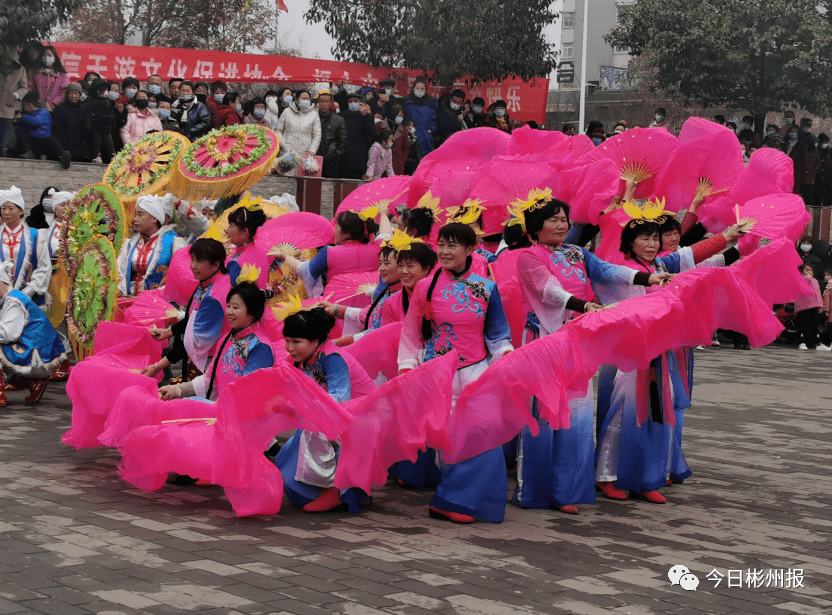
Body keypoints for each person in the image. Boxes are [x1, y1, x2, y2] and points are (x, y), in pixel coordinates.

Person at [510, 192, 668, 515]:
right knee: (543, 416)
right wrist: (583, 306)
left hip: (577, 340)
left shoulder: (577, 253)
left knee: (578, 416)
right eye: (553, 219)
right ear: (535, 226)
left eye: (563, 219)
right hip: (543, 342)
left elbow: (609, 272)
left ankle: (567, 489)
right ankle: (537, 489)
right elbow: (548, 290)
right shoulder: (529, 256)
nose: (561, 224)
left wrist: (648, 276)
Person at [594, 204, 745, 504]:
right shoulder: (626, 272)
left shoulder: (661, 266)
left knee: (659, 415)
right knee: (623, 415)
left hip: (661, 355)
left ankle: (647, 478)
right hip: (633, 357)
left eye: (654, 239)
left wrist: (729, 235)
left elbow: (691, 255)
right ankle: (606, 475)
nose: (651, 245)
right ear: (630, 243)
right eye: (644, 239)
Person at [396, 222, 513, 524]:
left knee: (486, 430)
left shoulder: (487, 288)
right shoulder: (425, 286)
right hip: (438, 371)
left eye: (453, 245)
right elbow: (410, 334)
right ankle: (450, 500)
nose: (445, 251)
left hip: (477, 369)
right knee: (449, 437)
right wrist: (407, 367)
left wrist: (507, 356)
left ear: (471, 249)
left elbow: (498, 334)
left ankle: (462, 499)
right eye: (442, 245)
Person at [274, 306, 373, 512]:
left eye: (296, 342)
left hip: (360, 419)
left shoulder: (332, 358)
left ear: (315, 341)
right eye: (287, 340)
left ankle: (334, 491)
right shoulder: (305, 356)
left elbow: (339, 399)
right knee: (303, 435)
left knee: (314, 431)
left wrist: (302, 408)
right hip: (338, 415)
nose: (289, 347)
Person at [158, 282, 275, 402]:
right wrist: (177, 390)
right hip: (220, 409)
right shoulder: (228, 338)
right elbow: (209, 379)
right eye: (228, 306)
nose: (229, 312)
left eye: (235, 307)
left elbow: (248, 396)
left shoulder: (261, 347)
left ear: (252, 312)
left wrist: (211, 406)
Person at [142, 238, 228, 380]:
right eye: (192, 259)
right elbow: (192, 317)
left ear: (215, 265)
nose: (193, 266)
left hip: (208, 359)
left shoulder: (214, 296)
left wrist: (158, 366)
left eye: (199, 261)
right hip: (199, 354)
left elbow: (193, 342)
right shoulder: (206, 282)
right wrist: (167, 332)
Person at [0, 262, 66, 406]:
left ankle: (1, 394)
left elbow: (8, 335)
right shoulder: (10, 298)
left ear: (3, 282)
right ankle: (27, 379)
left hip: (40, 361)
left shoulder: (13, 301)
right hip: (40, 357)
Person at [278, 209, 384, 295]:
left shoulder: (330, 252)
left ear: (346, 233)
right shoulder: (379, 248)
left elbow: (302, 269)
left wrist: (285, 256)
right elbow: (386, 233)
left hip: (337, 307)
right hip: (371, 307)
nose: (334, 230)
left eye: (336, 227)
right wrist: (383, 214)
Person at [116, 195, 186, 296]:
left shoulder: (174, 242)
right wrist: (119, 290)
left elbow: (180, 277)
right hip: (128, 301)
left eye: (140, 215)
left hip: (158, 303)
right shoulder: (130, 244)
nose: (135, 219)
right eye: (135, 214)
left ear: (154, 218)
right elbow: (119, 272)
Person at [0, 186, 52, 304]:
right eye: (3, 208)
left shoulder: (36, 235)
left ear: (21, 211)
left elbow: (44, 267)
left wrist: (26, 293)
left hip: (28, 298)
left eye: (10, 208)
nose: (6, 212)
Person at [16, 92, 71, 168]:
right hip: (36, 141)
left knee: (53, 141)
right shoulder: (30, 115)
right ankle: (29, 152)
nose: (23, 107)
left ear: (30, 105)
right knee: (20, 129)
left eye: (24, 105)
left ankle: (63, 155)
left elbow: (36, 122)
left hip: (44, 139)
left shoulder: (42, 112)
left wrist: (22, 117)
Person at [223, 204, 271, 288]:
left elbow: (226, 290)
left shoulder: (237, 262)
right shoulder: (261, 252)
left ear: (245, 231)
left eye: (231, 226)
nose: (226, 230)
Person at [276, 89, 321, 161]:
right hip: (286, 153)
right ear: (296, 100)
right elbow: (278, 130)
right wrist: (284, 146)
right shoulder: (287, 112)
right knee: (286, 171)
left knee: (301, 172)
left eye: (308, 99)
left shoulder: (314, 115)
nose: (306, 100)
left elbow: (317, 134)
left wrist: (312, 150)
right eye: (303, 98)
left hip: (305, 154)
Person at [52, 82, 91, 163]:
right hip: (65, 149)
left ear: (80, 95)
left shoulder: (85, 109)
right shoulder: (60, 109)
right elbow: (56, 128)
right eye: (71, 93)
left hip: (82, 150)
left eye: (76, 93)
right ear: (67, 94)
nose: (73, 96)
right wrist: (65, 142)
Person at [0, 51, 28, 158]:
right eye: (4, 59)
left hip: (9, 108)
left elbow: (24, 88)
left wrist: (16, 95)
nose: (6, 61)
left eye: (9, 59)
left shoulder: (21, 70)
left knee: (3, 143)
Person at [83, 78, 116, 164]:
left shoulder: (108, 101)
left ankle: (113, 156)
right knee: (96, 142)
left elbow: (112, 112)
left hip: (106, 126)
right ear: (96, 91)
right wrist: (88, 126)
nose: (105, 92)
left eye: (106, 90)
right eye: (103, 90)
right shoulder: (91, 102)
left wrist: (112, 120)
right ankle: (97, 155)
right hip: (96, 126)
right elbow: (88, 114)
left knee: (109, 142)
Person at [26, 45, 69, 112]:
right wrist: (36, 101)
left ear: (54, 58)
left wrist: (54, 102)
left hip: (56, 109)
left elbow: (65, 92)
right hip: (36, 109)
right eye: (44, 55)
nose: (46, 57)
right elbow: (28, 88)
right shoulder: (33, 72)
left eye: (49, 55)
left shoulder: (62, 75)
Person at [316, 89, 347, 179]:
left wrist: (338, 153)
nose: (324, 104)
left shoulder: (339, 120)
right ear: (318, 103)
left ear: (331, 103)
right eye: (322, 101)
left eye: (326, 101)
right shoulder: (313, 117)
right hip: (315, 155)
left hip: (332, 157)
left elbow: (343, 140)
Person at [403, 77, 437, 157]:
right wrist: (409, 128)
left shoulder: (430, 104)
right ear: (413, 88)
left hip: (426, 134)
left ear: (425, 90)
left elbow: (434, 119)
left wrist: (431, 130)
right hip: (411, 134)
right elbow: (404, 117)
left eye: (422, 88)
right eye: (418, 88)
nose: (420, 90)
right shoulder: (407, 103)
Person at [794, 263, 823, 351]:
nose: (809, 272)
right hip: (803, 307)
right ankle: (802, 342)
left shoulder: (815, 281)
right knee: (804, 325)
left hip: (814, 306)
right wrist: (805, 279)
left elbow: (818, 294)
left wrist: (820, 305)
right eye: (807, 270)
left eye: (810, 270)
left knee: (814, 325)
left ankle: (818, 343)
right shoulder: (800, 280)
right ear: (802, 272)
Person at [386, 104, 409, 176]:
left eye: (402, 116)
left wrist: (402, 161)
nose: (401, 117)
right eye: (399, 115)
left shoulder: (403, 129)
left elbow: (406, 147)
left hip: (397, 163)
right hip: (382, 162)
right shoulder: (381, 125)